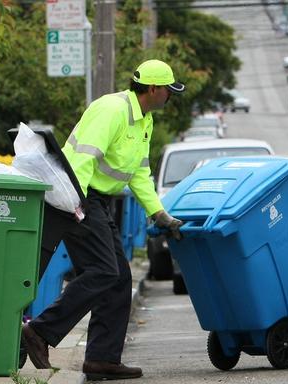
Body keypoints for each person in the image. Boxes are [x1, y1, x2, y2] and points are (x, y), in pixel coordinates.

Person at [21, 59, 185, 381]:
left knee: (119, 277)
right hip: (76, 196)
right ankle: (39, 331)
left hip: (97, 200)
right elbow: (82, 158)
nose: (170, 96)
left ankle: (101, 360)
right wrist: (75, 206)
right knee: (103, 270)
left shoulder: (144, 121)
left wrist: (159, 213)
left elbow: (139, 173)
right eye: (169, 90)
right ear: (153, 88)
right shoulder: (112, 110)